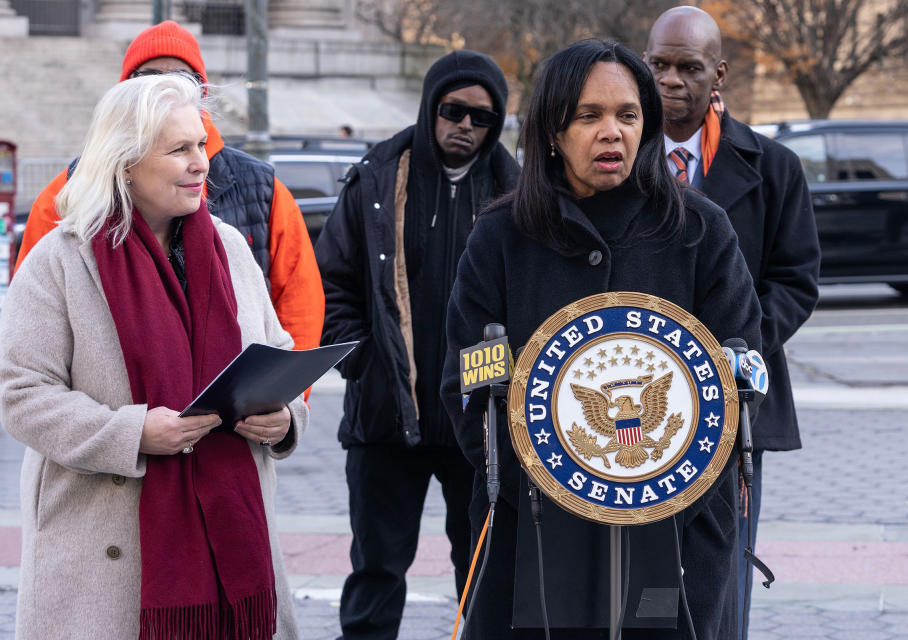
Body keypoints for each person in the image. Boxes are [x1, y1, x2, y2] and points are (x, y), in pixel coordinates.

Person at [441, 39, 763, 639]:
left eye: (628, 114)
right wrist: (550, 490)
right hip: (531, 530)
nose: (611, 132)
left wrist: (663, 495)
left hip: (677, 533)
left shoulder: (701, 231)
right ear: (553, 130)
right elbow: (465, 384)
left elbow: (739, 375)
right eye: (589, 116)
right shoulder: (500, 236)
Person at [0, 74, 307, 639]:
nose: (201, 163)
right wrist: (130, 431)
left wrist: (283, 419)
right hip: (104, 560)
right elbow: (19, 392)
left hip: (234, 553)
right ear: (124, 163)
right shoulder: (59, 260)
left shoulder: (230, 249)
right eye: (179, 149)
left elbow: (278, 356)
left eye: (201, 145)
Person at [314, 50, 519, 639]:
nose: (465, 126)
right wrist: (361, 359)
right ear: (431, 106)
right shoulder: (378, 176)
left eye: (481, 117)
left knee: (482, 572)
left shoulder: (517, 190)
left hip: (477, 421)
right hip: (385, 419)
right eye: (453, 110)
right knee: (375, 572)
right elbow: (332, 281)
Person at [644, 7, 821, 635]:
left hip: (732, 405)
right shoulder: (611, 162)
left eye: (687, 68)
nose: (670, 81)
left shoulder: (773, 168)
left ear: (717, 74)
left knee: (721, 579)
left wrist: (730, 352)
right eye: (658, 65)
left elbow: (796, 281)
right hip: (636, 407)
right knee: (640, 578)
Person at [14, 20, 325, 358]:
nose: (164, 88)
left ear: (201, 94)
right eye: (148, 77)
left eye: (181, 78)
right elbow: (30, 344)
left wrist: (280, 402)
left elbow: (300, 309)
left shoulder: (261, 192)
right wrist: (128, 415)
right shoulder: (67, 192)